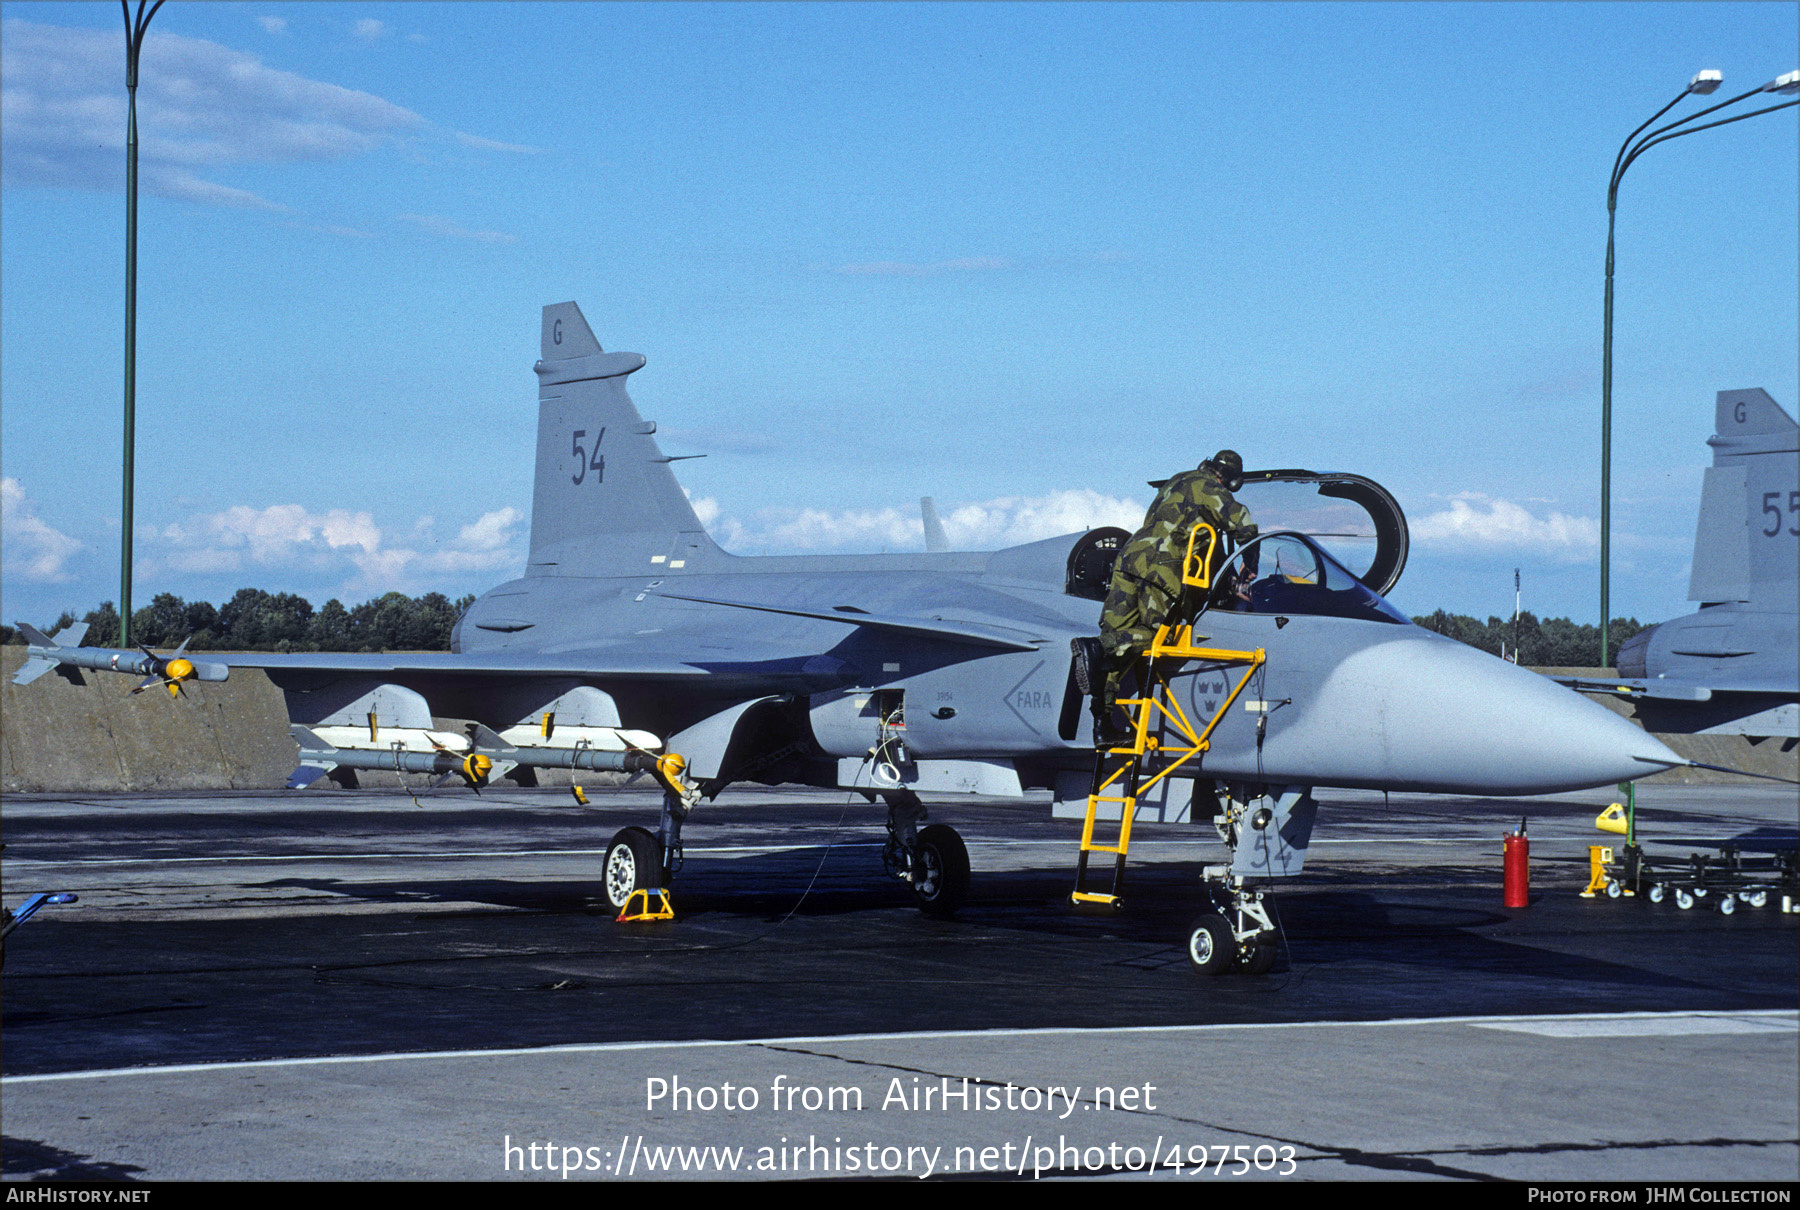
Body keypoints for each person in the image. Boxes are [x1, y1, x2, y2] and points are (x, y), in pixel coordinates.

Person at [1073, 450, 1256, 747]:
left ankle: (1103, 726)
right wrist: (1252, 565)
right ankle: (1098, 646)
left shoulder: (1176, 481)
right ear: (1230, 478)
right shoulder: (1212, 488)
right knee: (1161, 639)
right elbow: (1244, 524)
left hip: (1129, 559)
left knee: (1115, 648)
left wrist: (1228, 574)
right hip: (1162, 569)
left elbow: (1204, 539)